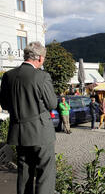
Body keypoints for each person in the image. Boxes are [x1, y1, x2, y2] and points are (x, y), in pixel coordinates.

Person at [0, 42, 57, 194]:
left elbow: (4, 105)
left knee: (24, 172)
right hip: (40, 132)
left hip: (18, 133)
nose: (43, 60)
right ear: (38, 57)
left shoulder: (8, 76)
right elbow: (52, 103)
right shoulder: (42, 76)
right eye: (44, 57)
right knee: (46, 173)